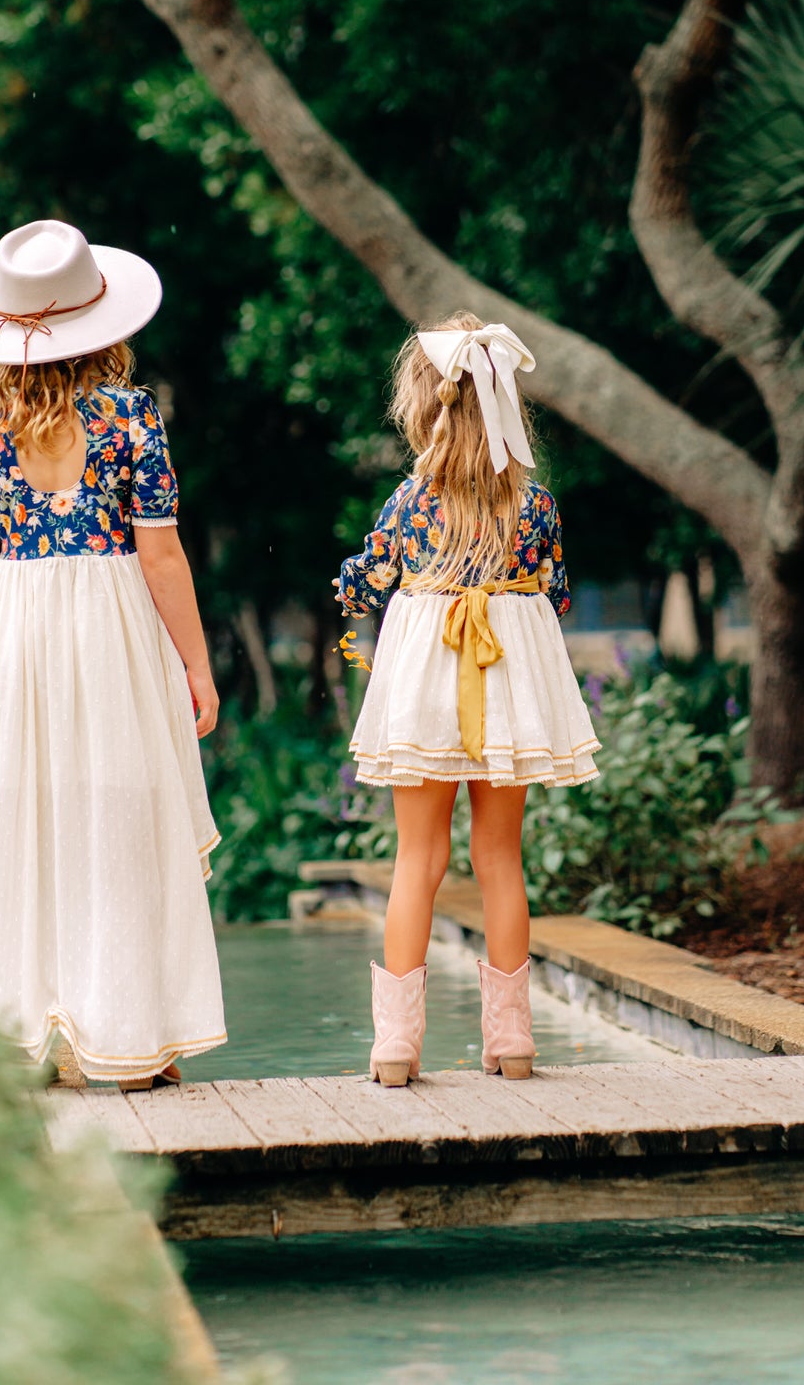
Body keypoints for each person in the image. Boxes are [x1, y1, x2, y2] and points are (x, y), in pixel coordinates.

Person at [0, 218, 225, 1087]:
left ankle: (36, 1042)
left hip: (16, 627)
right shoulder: (132, 415)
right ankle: (128, 1038)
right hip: (109, 624)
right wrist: (197, 664)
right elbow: (161, 553)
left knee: (32, 821)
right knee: (118, 816)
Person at [335, 313, 600, 1086]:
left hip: (426, 679)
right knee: (499, 858)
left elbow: (366, 581)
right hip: (507, 684)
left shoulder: (410, 503)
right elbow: (556, 592)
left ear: (422, 405)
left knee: (417, 858)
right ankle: (512, 1042)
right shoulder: (537, 506)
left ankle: (396, 1046)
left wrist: (354, 586)